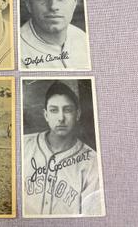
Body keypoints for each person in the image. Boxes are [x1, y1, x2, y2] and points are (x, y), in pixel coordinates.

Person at [23, 81, 102, 216]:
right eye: (54, 110)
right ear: (46, 114)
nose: (61, 118)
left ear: (77, 114)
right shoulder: (24, 144)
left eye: (67, 110)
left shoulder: (92, 162)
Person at [20, 0, 90, 69]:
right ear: (29, 5)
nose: (53, 6)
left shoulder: (82, 38)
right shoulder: (17, 51)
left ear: (74, 3)